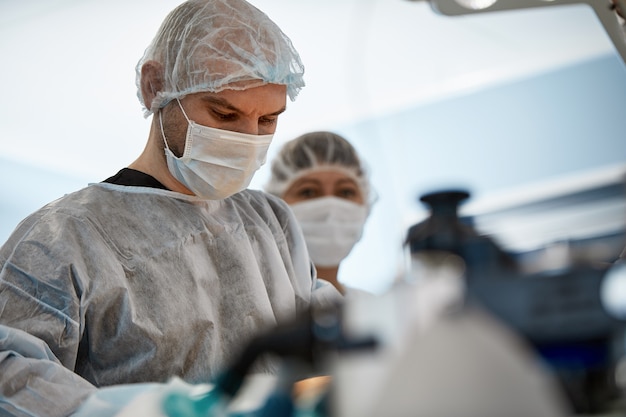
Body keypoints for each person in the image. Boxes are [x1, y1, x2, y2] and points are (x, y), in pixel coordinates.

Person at [0, 1, 342, 416]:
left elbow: (332, 349)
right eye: (224, 113)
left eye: (268, 120)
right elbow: (12, 381)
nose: (248, 137)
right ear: (156, 86)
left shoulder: (272, 224)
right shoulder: (59, 241)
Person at [265, 131, 375, 295]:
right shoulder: (258, 309)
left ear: (366, 204)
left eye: (345, 192)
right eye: (308, 192)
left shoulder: (371, 307)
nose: (330, 209)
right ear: (275, 205)